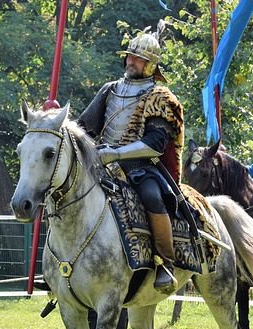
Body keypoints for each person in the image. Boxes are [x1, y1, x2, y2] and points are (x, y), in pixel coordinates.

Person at [78, 22, 185, 295]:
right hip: (101, 164)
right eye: (130, 56)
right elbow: (84, 128)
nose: (132, 61)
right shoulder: (109, 89)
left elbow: (155, 144)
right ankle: (63, 263)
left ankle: (165, 262)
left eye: (139, 59)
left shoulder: (160, 96)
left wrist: (115, 153)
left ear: (151, 65)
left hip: (140, 167)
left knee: (152, 197)